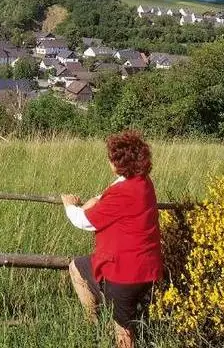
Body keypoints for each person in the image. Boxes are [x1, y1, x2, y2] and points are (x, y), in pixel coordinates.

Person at [61, 131, 162, 348]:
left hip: (125, 272)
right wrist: (98, 198)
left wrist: (69, 205)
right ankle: (97, 325)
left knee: (124, 334)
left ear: (118, 163)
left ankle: (95, 325)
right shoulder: (143, 182)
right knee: (78, 266)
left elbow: (84, 221)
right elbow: (114, 190)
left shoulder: (124, 192)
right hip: (148, 268)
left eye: (111, 158)